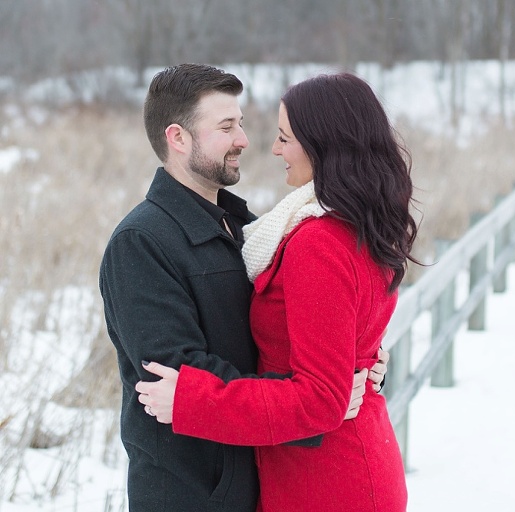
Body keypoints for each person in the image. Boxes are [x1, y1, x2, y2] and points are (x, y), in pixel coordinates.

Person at [99, 64, 387, 512]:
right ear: (178, 138)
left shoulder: (250, 231)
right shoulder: (142, 242)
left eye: (241, 123)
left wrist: (352, 365)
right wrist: (317, 399)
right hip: (192, 493)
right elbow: (175, 377)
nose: (245, 140)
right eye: (226, 127)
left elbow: (296, 332)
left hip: (262, 480)